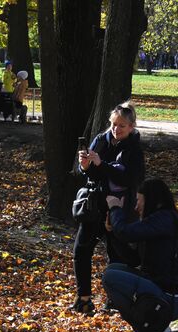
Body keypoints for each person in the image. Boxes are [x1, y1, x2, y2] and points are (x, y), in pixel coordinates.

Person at [72, 101, 145, 313]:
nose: (116, 129)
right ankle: (84, 299)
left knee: (117, 256)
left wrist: (101, 165)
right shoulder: (100, 140)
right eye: (114, 124)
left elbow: (131, 179)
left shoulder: (134, 148)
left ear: (131, 127)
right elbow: (93, 174)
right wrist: (85, 166)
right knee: (81, 251)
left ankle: (115, 300)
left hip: (119, 209)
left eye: (122, 126)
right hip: (95, 206)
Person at [103, 178, 178, 332]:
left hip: (173, 298)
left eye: (139, 201)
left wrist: (115, 207)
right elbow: (132, 258)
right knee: (113, 269)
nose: (136, 207)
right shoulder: (158, 221)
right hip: (163, 290)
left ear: (151, 199)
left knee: (110, 277)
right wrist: (111, 232)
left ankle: (149, 327)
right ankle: (153, 324)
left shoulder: (164, 219)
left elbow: (126, 232)